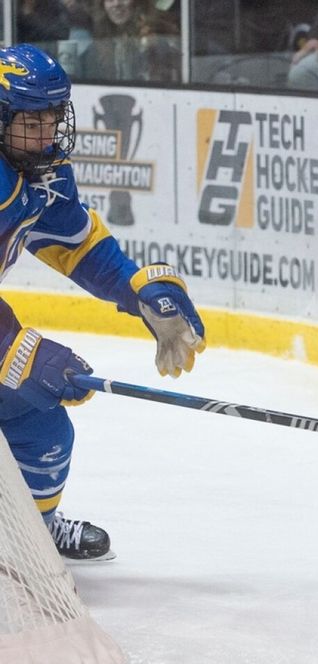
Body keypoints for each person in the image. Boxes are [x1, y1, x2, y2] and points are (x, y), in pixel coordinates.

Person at [0, 44, 206, 560]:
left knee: (40, 423)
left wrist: (137, 289)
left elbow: (75, 244)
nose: (47, 133)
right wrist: (13, 349)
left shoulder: (36, 165)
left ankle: (31, 531)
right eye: (31, 120)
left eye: (53, 117)